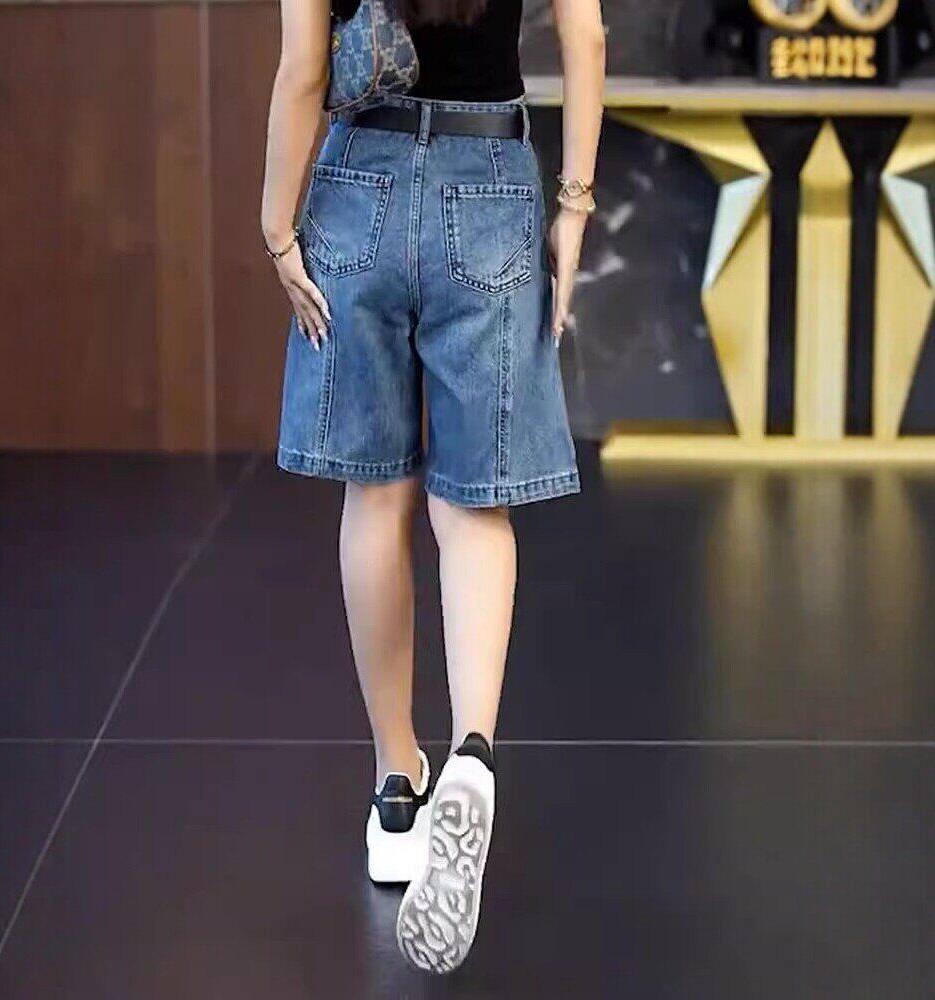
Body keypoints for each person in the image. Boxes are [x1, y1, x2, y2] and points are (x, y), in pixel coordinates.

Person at [260, 0, 605, 975]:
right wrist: (575, 207)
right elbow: (585, 36)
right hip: (488, 173)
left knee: (375, 498)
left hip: (357, 185)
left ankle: (396, 786)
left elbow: (302, 71)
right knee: (473, 505)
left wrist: (276, 225)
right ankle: (474, 755)